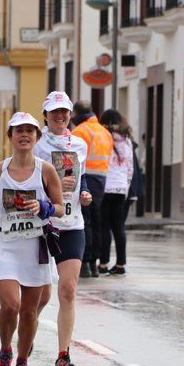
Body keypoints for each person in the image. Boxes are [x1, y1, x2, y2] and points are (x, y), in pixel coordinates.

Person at [0, 112, 63, 366]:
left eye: (30, 131)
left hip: (35, 246)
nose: (24, 135)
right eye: (19, 131)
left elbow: (60, 208)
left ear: (37, 137)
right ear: (11, 137)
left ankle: (23, 362)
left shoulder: (45, 170)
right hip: (6, 244)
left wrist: (45, 207)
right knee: (10, 305)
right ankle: (5, 351)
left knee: (29, 310)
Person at [33, 91, 92, 366]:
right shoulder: (37, 145)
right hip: (44, 226)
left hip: (72, 224)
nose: (60, 116)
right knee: (41, 296)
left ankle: (63, 356)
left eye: (65, 111)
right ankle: (26, 339)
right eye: (55, 111)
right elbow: (25, 183)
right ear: (45, 114)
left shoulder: (80, 144)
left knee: (68, 290)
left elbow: (84, 178)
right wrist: (51, 189)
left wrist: (85, 192)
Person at [71, 101, 113, 278]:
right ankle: (95, 262)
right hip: (103, 179)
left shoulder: (79, 132)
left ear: (78, 114)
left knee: (85, 220)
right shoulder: (104, 131)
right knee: (98, 222)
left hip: (86, 178)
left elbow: (71, 159)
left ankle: (85, 262)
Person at [98, 109, 133, 276]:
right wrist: (126, 186)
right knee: (119, 227)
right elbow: (130, 167)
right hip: (120, 188)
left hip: (105, 186)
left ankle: (103, 263)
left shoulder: (103, 137)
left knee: (104, 226)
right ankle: (121, 263)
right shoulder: (127, 140)